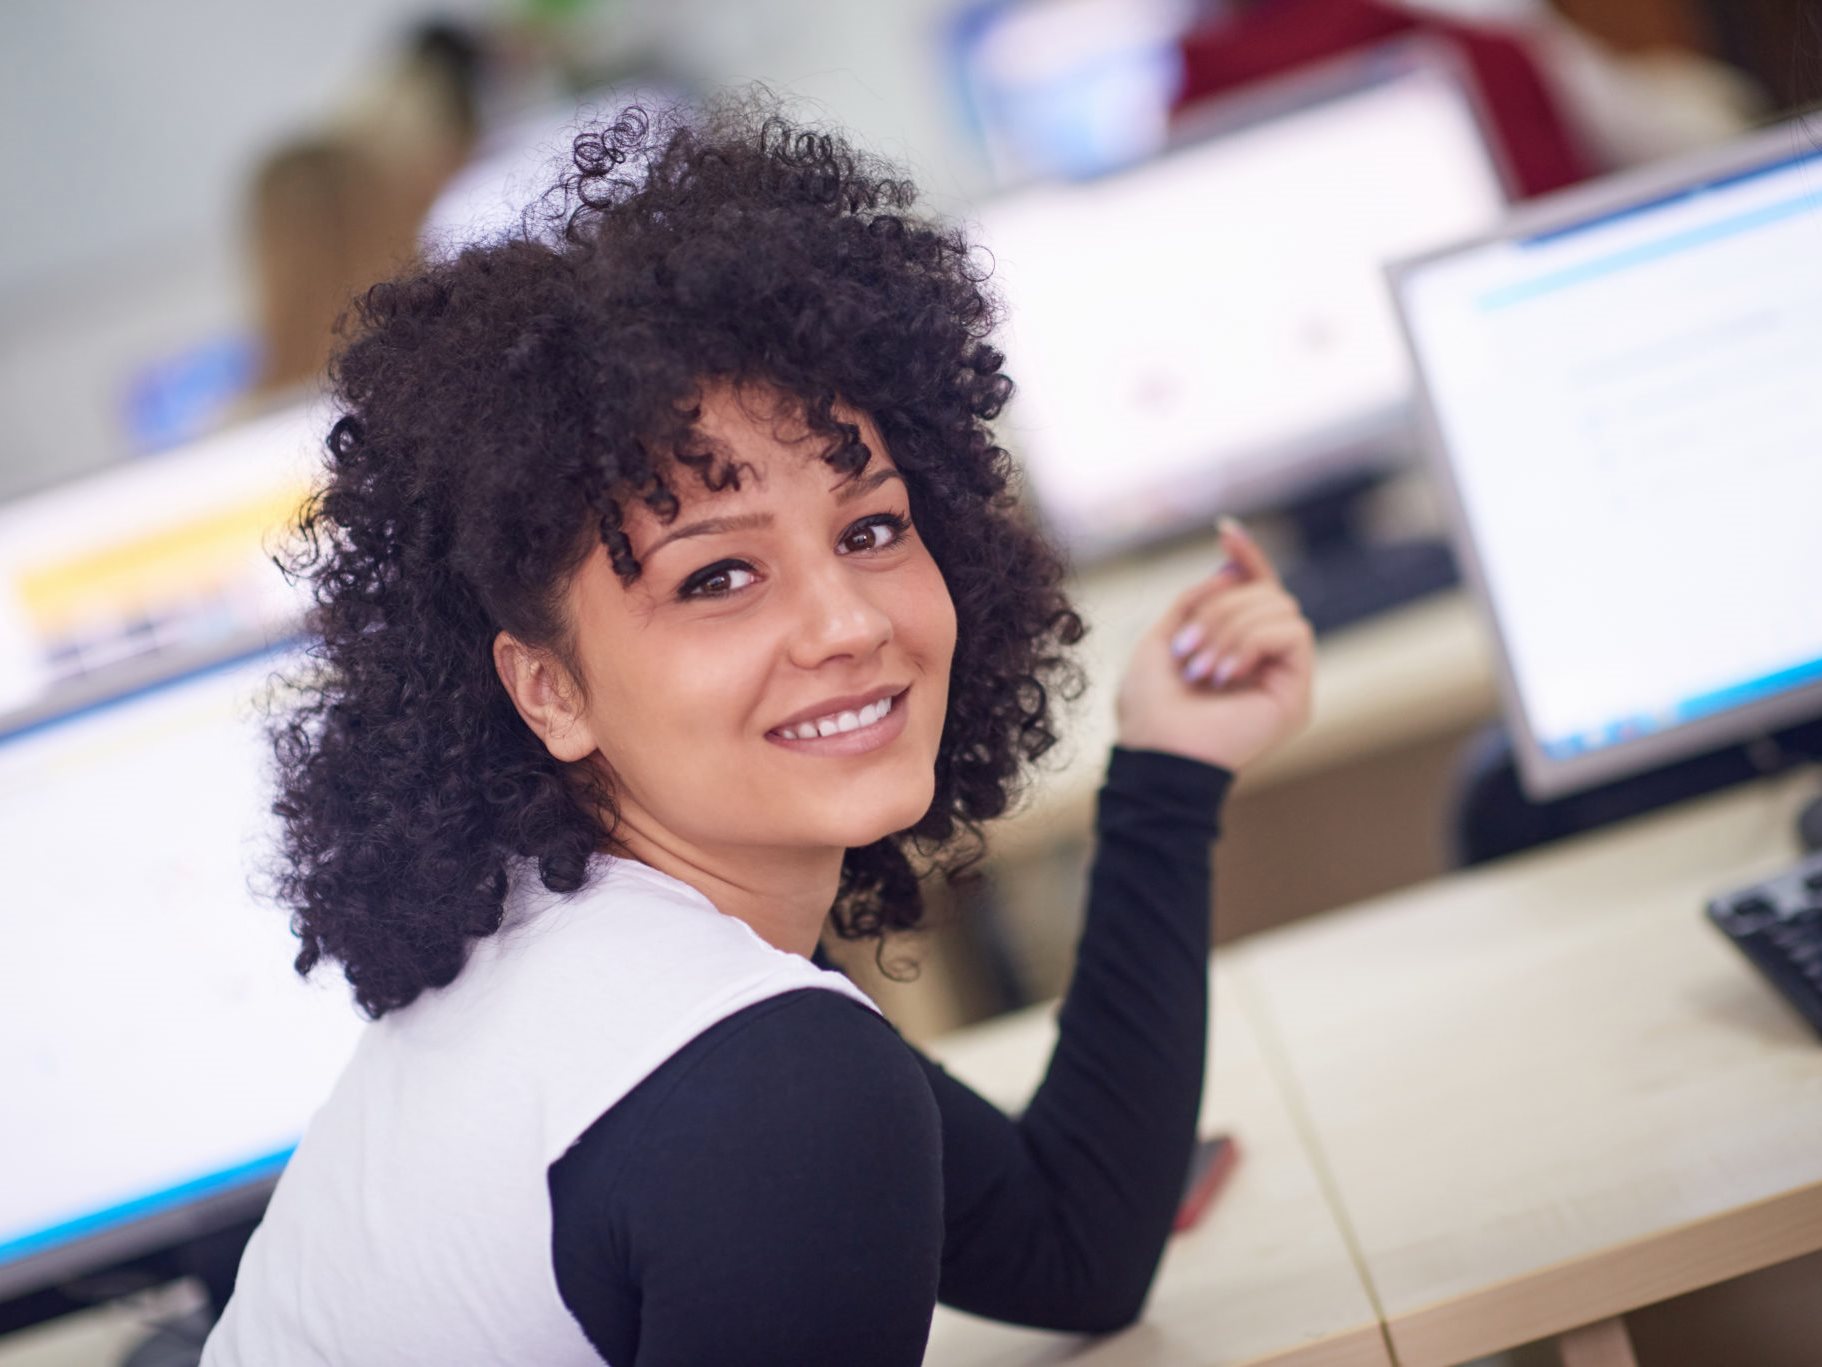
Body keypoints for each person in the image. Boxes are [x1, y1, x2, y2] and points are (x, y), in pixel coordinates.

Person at [202, 99, 1315, 1365]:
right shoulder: (758, 1086)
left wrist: (1169, 766)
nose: (844, 620)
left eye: (871, 527)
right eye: (715, 578)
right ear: (545, 689)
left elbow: (1074, 1245)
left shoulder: (608, 966)